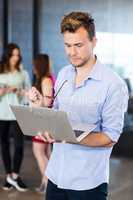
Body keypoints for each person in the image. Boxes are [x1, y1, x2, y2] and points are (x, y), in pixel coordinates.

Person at [28, 11, 129, 200]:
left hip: (88, 182)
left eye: (78, 45)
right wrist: (40, 106)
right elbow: (55, 115)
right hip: (56, 175)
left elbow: (110, 137)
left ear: (94, 42)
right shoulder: (64, 74)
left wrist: (69, 136)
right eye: (67, 45)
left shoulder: (113, 84)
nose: (72, 52)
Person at [0, 43, 31, 192]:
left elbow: (29, 92)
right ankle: (8, 176)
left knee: (19, 145)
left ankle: (15, 175)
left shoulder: (23, 72)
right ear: (7, 55)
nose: (16, 58)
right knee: (4, 144)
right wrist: (3, 91)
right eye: (13, 55)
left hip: (18, 113)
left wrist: (21, 92)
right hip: (1, 114)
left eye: (18, 55)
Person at [30, 54, 55, 193]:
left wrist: (34, 100)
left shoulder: (45, 80)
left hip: (42, 120)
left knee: (38, 152)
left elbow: (47, 103)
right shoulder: (48, 78)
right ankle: (47, 182)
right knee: (46, 152)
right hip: (45, 119)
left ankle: (47, 183)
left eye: (34, 65)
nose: (33, 68)